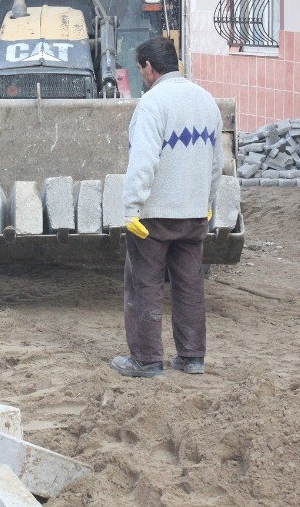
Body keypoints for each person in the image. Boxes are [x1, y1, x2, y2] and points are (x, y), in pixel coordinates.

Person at [111, 37, 223, 378]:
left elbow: (143, 161)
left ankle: (146, 360)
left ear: (148, 67)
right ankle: (192, 357)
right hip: (194, 215)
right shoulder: (206, 101)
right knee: (189, 285)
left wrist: (131, 208)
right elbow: (216, 162)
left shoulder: (152, 104)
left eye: (140, 68)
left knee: (144, 284)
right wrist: (209, 204)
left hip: (154, 218)